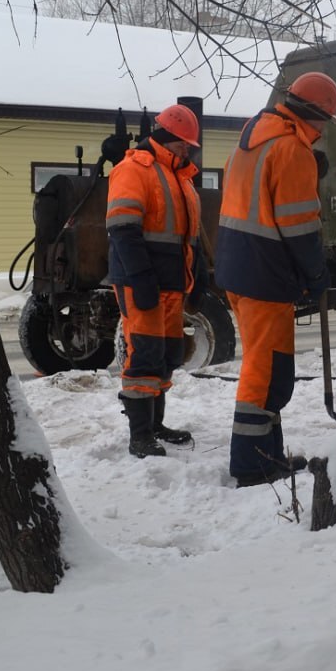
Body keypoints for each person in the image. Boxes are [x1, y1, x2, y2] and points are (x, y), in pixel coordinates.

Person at [214, 71, 336, 487]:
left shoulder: (252, 141)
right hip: (263, 273)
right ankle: (251, 464)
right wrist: (316, 274)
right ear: (317, 116)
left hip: (239, 268)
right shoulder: (291, 150)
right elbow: (300, 227)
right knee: (267, 372)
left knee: (267, 366)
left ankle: (267, 452)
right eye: (325, 122)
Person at [106, 104, 206, 458]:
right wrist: (141, 278)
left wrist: (201, 270)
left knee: (167, 355)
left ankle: (156, 425)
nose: (187, 150)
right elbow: (122, 230)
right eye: (183, 144)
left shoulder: (180, 177)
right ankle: (140, 435)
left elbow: (188, 236)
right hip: (142, 281)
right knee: (144, 355)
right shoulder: (133, 170)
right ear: (167, 138)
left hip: (172, 282)